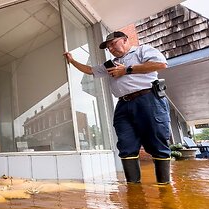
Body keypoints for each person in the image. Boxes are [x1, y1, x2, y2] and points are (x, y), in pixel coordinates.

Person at [64, 31, 171, 184]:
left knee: (157, 139)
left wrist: (126, 69)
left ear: (125, 40)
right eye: (108, 47)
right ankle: (133, 188)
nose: (111, 49)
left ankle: (164, 188)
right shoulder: (111, 64)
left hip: (147, 99)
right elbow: (90, 70)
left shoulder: (142, 51)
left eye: (113, 44)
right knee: (125, 143)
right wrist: (72, 60)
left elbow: (161, 64)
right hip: (123, 104)